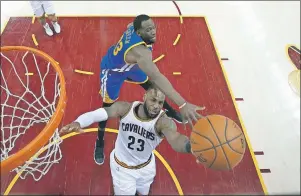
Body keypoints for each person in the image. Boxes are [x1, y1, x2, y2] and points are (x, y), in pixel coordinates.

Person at [96, 14, 205, 165]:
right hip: (113, 71)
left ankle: (171, 112)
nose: (153, 31)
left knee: (154, 90)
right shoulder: (141, 53)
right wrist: (183, 103)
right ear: (139, 32)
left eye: (153, 27)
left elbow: (130, 26)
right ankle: (99, 141)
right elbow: (157, 76)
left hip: (131, 66)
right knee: (107, 107)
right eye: (148, 29)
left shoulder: (134, 29)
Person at [60, 86, 202, 195]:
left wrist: (191, 146)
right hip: (123, 168)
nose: (157, 106)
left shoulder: (163, 122)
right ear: (144, 96)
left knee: (144, 192)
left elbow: (176, 138)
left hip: (146, 166)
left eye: (160, 102)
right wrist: (79, 122)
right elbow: (101, 113)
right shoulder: (125, 108)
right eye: (153, 100)